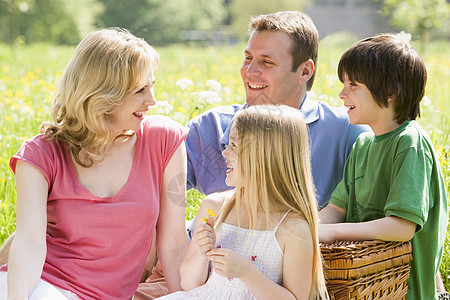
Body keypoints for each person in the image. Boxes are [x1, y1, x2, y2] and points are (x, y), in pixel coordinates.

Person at [0, 28, 189, 300]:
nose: (152, 101)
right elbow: (29, 242)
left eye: (152, 86)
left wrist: (185, 296)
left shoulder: (165, 140)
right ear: (103, 96)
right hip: (39, 286)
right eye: (140, 90)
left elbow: (174, 244)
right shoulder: (40, 154)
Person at [318, 33, 448, 300]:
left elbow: (401, 227)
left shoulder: (410, 142)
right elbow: (335, 209)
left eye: (353, 84)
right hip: (364, 288)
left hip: (404, 293)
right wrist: (304, 227)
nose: (342, 94)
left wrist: (331, 232)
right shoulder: (363, 144)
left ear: (390, 92)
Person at [158, 105, 329, 300]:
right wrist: (199, 249)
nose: (224, 154)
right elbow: (189, 284)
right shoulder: (214, 207)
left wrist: (247, 272)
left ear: (264, 157)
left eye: (234, 146)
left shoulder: (294, 229)